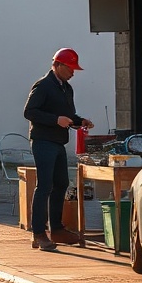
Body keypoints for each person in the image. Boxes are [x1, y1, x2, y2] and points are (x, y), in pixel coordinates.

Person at [23, 48, 94, 252]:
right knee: (44, 185)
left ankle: (57, 229)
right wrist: (56, 120)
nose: (73, 72)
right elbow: (29, 112)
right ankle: (38, 233)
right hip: (43, 141)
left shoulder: (66, 88)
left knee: (61, 183)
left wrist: (80, 121)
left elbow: (67, 115)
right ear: (58, 66)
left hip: (57, 142)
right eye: (71, 68)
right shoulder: (43, 85)